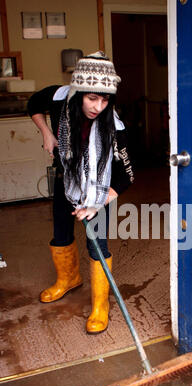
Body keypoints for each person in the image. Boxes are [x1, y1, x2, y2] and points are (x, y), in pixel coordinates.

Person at [28, 51, 134, 334]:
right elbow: (32, 104)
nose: (98, 107)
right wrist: (46, 133)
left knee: (96, 243)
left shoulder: (115, 127)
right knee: (60, 234)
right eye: (92, 98)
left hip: (100, 189)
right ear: (78, 92)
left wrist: (97, 205)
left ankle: (101, 304)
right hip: (66, 179)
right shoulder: (58, 98)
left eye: (105, 99)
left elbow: (127, 176)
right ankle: (69, 279)